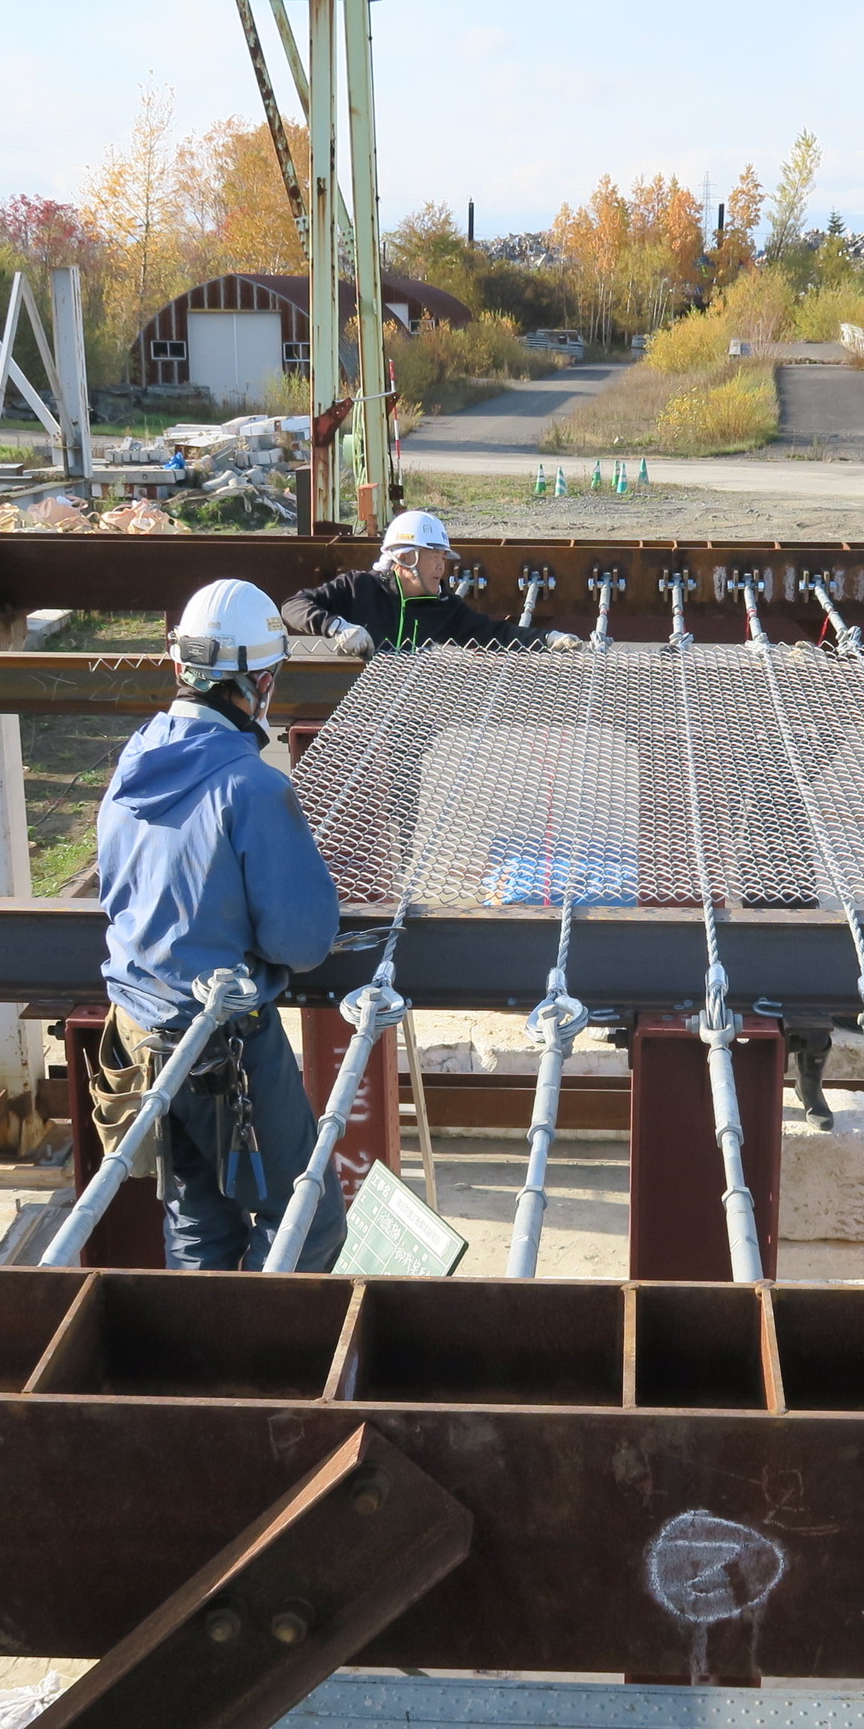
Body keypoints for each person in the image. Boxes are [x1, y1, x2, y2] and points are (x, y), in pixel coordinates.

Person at [91, 578, 346, 1271]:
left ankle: (199, 1364)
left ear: (182, 668)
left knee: (200, 1219)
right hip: (222, 1044)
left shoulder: (135, 760)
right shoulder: (253, 788)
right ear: (261, 682)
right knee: (304, 1219)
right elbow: (302, 940)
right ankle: (267, 1364)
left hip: (141, 1031)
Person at [283, 508, 576, 652]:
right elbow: (293, 605)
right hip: (351, 714)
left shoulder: (443, 607)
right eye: (434, 555)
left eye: (443, 557)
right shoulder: (359, 588)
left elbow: (495, 633)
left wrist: (549, 639)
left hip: (409, 719)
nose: (441, 566)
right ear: (406, 556)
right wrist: (337, 627)